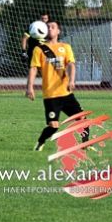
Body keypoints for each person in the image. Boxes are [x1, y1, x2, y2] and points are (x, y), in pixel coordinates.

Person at [26, 20, 88, 151]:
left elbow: (71, 64)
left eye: (53, 27)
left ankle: (86, 145)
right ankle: (40, 142)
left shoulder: (65, 47)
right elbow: (33, 69)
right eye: (48, 27)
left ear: (58, 31)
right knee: (54, 126)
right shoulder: (39, 49)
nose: (50, 29)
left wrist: (72, 80)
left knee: (82, 118)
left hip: (66, 93)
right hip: (51, 95)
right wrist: (29, 87)